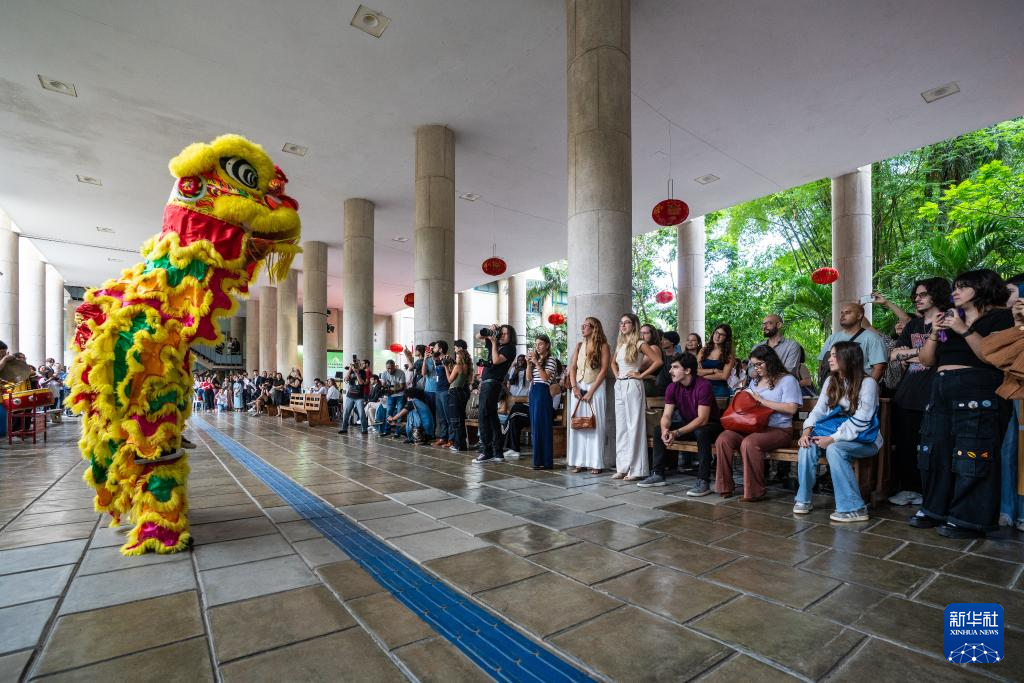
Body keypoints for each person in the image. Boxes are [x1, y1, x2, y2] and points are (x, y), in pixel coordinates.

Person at [912, 269, 1014, 538]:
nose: (954, 292)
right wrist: (935, 333)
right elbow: (926, 361)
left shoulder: (1000, 317)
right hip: (941, 389)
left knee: (973, 452)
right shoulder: (949, 319)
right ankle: (935, 509)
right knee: (936, 451)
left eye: (962, 286)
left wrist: (964, 329)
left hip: (979, 391)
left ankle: (969, 519)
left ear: (983, 288)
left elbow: (993, 356)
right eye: (955, 286)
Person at [794, 342, 881, 522]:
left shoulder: (868, 383)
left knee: (835, 449)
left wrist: (832, 439)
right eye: (830, 355)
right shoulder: (831, 381)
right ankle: (803, 499)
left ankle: (855, 508)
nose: (830, 359)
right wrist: (806, 432)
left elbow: (862, 420)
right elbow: (818, 411)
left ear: (848, 358)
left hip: (865, 441)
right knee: (807, 445)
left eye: (834, 355)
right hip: (835, 435)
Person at [886, 277, 951, 506]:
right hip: (906, 394)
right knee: (906, 445)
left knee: (934, 447)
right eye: (916, 295)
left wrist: (912, 353)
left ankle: (932, 493)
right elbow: (893, 355)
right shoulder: (913, 325)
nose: (917, 298)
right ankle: (910, 489)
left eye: (923, 294)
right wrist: (919, 352)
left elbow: (936, 357)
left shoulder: (948, 322)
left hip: (935, 394)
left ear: (937, 295)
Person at [714, 346, 802, 500]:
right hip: (753, 427)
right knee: (723, 438)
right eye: (754, 365)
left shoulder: (788, 380)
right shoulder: (755, 381)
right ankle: (724, 486)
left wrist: (761, 400)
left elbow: (791, 408)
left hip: (779, 430)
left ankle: (754, 492)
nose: (756, 368)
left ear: (770, 361)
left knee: (750, 443)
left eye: (759, 364)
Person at [638, 352, 722, 492]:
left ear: (687, 370)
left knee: (701, 432)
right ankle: (658, 474)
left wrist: (676, 433)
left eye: (675, 367)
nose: (670, 371)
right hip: (690, 426)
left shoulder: (704, 385)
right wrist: (665, 430)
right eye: (671, 367)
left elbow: (702, 419)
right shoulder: (672, 387)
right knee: (658, 430)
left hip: (711, 427)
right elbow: (666, 415)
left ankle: (703, 481)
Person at [611, 313, 663, 480]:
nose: (623, 325)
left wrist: (640, 374)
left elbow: (658, 361)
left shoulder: (640, 343)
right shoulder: (620, 343)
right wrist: (617, 375)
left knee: (634, 426)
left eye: (627, 322)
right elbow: (613, 363)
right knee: (621, 427)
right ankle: (622, 467)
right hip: (620, 384)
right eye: (621, 322)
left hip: (633, 384)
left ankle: (637, 469)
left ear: (634, 325)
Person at [567, 317, 611, 474]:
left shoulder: (603, 346)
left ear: (594, 328)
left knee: (595, 424)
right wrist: (574, 387)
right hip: (578, 387)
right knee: (578, 424)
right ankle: (579, 461)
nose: (583, 327)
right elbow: (572, 367)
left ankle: (595, 463)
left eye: (586, 325)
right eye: (583, 325)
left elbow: (604, 370)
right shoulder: (579, 346)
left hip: (595, 387)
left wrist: (591, 391)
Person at [474, 324, 517, 463]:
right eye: (501, 333)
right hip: (487, 383)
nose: (502, 335)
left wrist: (493, 342)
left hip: (493, 384)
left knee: (483, 416)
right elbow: (478, 336)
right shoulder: (496, 343)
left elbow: (496, 360)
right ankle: (497, 452)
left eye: (505, 333)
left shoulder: (510, 348)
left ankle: (486, 451)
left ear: (511, 336)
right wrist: (491, 331)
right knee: (492, 417)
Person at [817, 303, 887, 383]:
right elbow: (822, 363)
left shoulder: (873, 338)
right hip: (833, 386)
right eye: (841, 313)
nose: (842, 316)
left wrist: (866, 387)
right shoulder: (832, 338)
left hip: (858, 385)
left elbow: (879, 367)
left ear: (859, 316)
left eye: (847, 312)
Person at [525, 334, 559, 470]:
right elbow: (528, 378)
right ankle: (537, 461)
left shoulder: (551, 360)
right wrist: (529, 364)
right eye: (536, 344)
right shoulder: (536, 360)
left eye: (540, 344)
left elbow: (545, 378)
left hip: (543, 392)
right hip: (533, 392)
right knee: (535, 426)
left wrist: (537, 363)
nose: (537, 347)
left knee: (543, 426)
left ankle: (546, 461)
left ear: (547, 345)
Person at [446, 347, 474, 452]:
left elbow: (450, 380)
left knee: (455, 419)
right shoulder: (468, 367)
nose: (456, 358)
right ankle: (462, 444)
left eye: (457, 356)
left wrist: (445, 367)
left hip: (454, 393)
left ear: (460, 357)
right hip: (462, 392)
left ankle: (458, 445)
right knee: (460, 419)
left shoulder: (458, 366)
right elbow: (467, 380)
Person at [698, 324, 736, 398]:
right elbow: (695, 371)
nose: (717, 336)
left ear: (726, 338)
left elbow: (724, 376)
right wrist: (714, 370)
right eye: (716, 333)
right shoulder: (703, 350)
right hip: (702, 387)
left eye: (721, 334)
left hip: (719, 390)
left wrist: (702, 376)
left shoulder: (729, 354)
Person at [429, 341, 453, 447]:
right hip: (438, 390)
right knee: (441, 417)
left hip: (445, 390)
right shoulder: (437, 359)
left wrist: (446, 365)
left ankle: (451, 439)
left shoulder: (448, 359)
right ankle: (443, 437)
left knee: (448, 416)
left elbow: (452, 373)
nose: (433, 349)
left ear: (440, 349)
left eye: (435, 347)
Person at [338, 360, 369, 435]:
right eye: (354, 364)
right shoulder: (350, 371)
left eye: (356, 364)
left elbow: (361, 383)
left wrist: (356, 372)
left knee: (361, 413)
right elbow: (346, 379)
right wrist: (350, 370)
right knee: (346, 412)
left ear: (359, 365)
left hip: (359, 397)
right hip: (350, 396)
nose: (355, 365)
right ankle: (344, 428)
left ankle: (364, 429)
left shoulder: (362, 372)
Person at [378, 360, 407, 436]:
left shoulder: (401, 373)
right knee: (388, 413)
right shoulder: (384, 373)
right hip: (391, 396)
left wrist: (393, 390)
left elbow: (402, 387)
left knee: (399, 414)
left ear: (394, 367)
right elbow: (384, 385)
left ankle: (398, 432)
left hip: (400, 395)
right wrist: (384, 388)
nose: (389, 370)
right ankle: (387, 431)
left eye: (391, 368)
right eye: (388, 368)